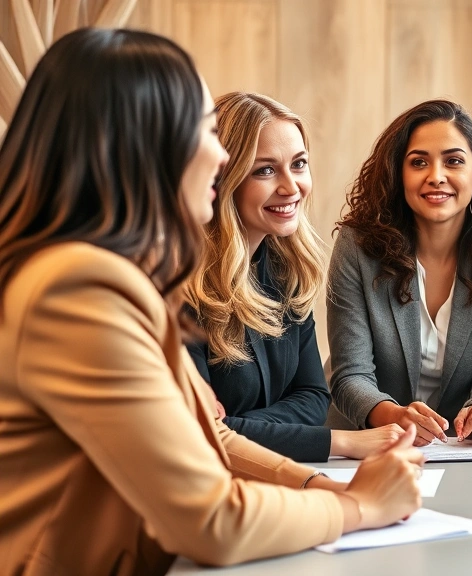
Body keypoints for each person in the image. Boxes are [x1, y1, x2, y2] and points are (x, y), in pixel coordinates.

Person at [0, 29, 422, 574]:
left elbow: (211, 436)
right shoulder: (78, 289)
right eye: (205, 130)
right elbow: (211, 523)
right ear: (143, 145)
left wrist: (316, 481)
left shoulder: (113, 275)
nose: (221, 157)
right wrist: (356, 506)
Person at [184, 92, 401, 461]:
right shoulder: (182, 286)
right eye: (265, 170)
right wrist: (339, 442)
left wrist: (235, 427)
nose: (291, 186)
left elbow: (314, 398)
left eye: (299, 164)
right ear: (223, 178)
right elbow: (196, 434)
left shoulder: (289, 271)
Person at [327, 99, 472, 446]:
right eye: (418, 162)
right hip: (363, 441)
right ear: (398, 173)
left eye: (453, 161)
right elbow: (349, 374)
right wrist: (394, 416)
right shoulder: (357, 246)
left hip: (459, 447)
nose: (436, 177)